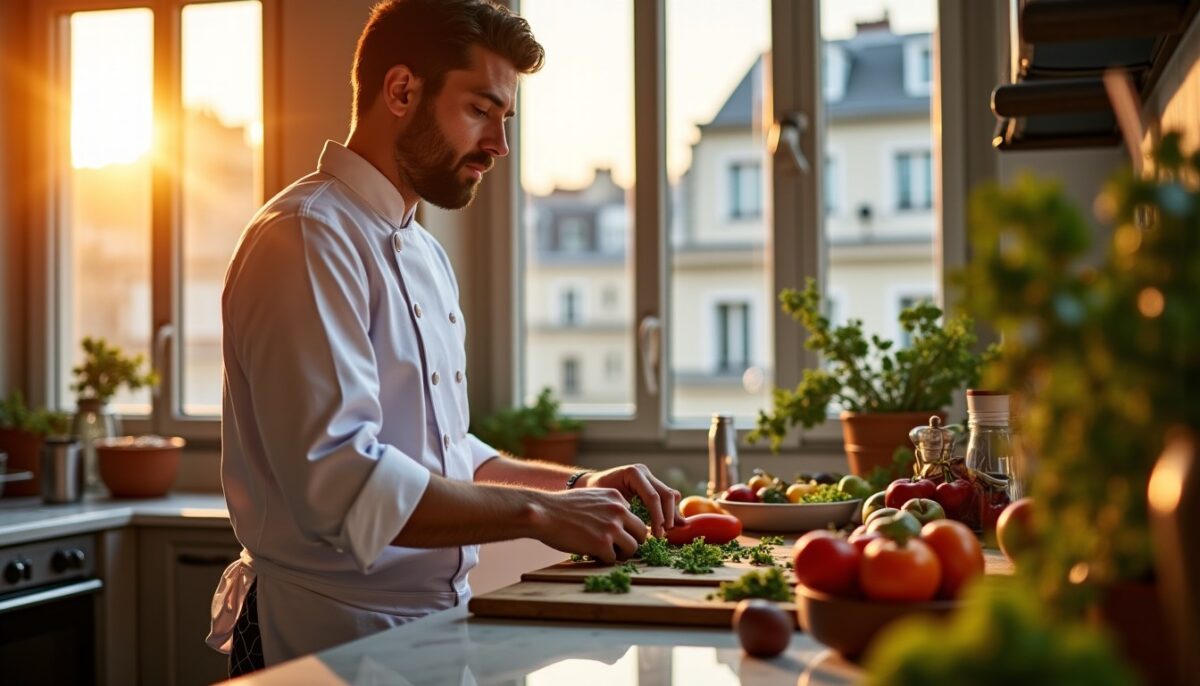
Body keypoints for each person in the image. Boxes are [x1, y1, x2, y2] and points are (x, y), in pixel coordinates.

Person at [206, 0, 683, 675]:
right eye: (479, 111)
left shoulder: (424, 253)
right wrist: (544, 516)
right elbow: (341, 481)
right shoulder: (306, 236)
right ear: (401, 90)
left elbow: (445, 452)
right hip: (322, 634)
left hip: (436, 628)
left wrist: (575, 485)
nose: (499, 145)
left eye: (504, 118)